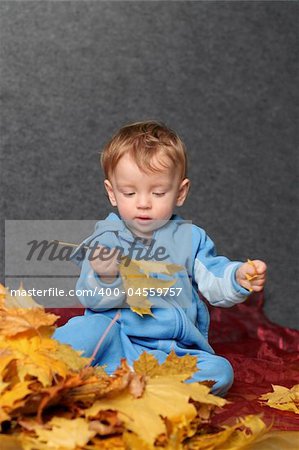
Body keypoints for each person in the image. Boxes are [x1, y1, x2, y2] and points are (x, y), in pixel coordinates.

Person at [54, 121, 267, 396]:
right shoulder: (106, 239)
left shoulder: (191, 238)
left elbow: (214, 280)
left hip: (172, 353)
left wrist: (238, 277)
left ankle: (131, 389)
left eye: (158, 192)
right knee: (87, 328)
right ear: (112, 193)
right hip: (118, 343)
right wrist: (105, 276)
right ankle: (50, 366)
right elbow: (90, 297)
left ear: (180, 192)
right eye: (129, 193)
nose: (143, 202)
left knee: (220, 372)